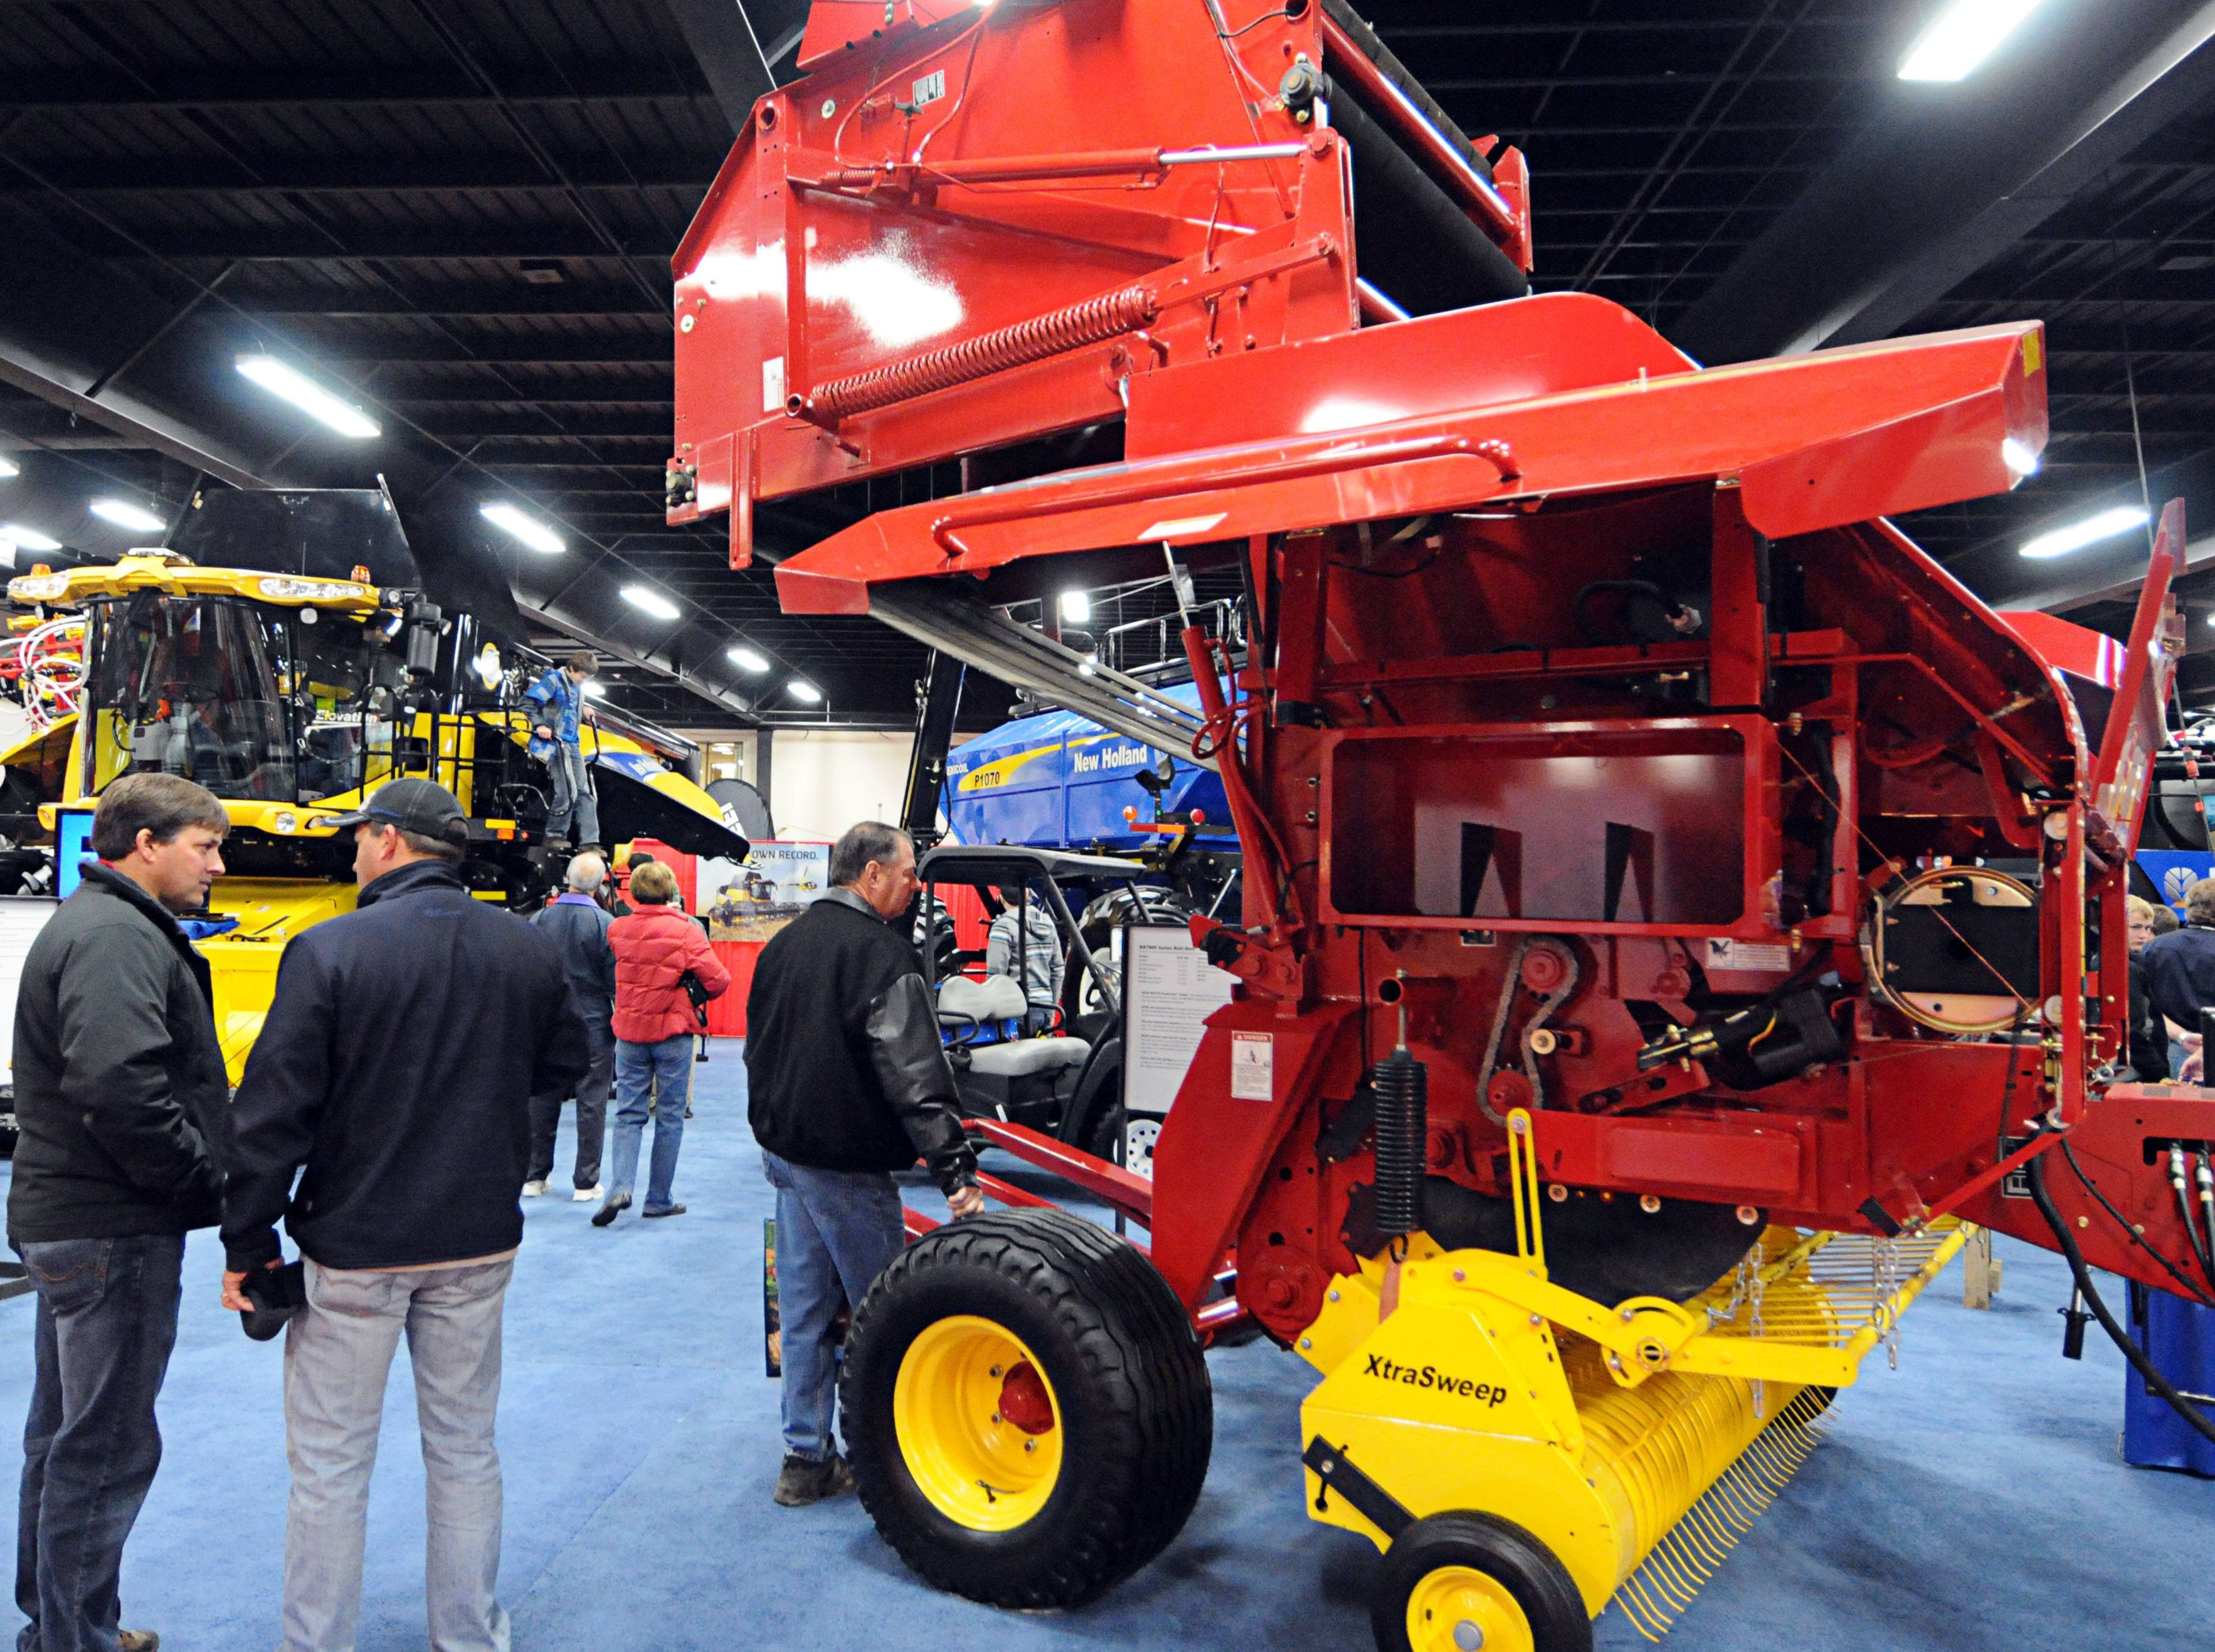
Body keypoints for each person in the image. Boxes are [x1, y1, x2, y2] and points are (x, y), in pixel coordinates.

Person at [218, 778, 589, 1652]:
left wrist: (246, 1239)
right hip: (478, 1236)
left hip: (355, 1245)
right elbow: (568, 1064)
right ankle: (470, 1636)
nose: (350, 851)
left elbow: (273, 1116)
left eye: (358, 837)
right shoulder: (523, 947)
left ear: (388, 840)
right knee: (465, 1450)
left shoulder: (329, 950)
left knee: (332, 1467)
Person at [10, 775, 230, 1652]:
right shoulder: (114, 936)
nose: (219, 861)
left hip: (76, 1217)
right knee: (102, 1446)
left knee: (66, 1439)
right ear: (147, 844)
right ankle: (74, 1640)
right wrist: (196, 1179)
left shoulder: (102, 924)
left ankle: (63, 1628)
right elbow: (118, 1082)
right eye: (204, 845)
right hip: (112, 1224)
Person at [745, 822, 984, 1507]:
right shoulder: (883, 956)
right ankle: (891, 1460)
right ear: (872, 874)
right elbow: (915, 1072)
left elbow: (756, 1053)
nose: (915, 887)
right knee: (885, 1316)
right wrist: (955, 1172)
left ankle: (804, 1458)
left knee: (803, 1314)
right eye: (909, 874)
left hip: (786, 1158)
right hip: (845, 1164)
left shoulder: (782, 945)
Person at [593, 860, 729, 1226]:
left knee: (628, 1115)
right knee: (669, 1118)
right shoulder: (687, 930)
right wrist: (689, 992)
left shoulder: (618, 929)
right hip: (672, 1034)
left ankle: (620, 1186)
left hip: (630, 1033)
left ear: (633, 891)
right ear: (670, 891)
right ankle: (658, 1199)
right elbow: (719, 980)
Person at [526, 852, 618, 1202]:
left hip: (546, 1021)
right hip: (593, 1021)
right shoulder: (606, 925)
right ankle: (585, 1183)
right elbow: (614, 984)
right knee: (592, 1100)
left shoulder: (539, 919)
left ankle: (534, 1177)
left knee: (541, 1097)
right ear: (600, 886)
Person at [2139, 876, 2215, 1083]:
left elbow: (2143, 1004)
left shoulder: (2154, 948)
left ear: (2189, 908)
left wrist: (2180, 1036)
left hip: (2171, 1046)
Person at [523, 650, 598, 850]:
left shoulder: (577, 688)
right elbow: (528, 702)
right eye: (582, 677)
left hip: (572, 744)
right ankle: (554, 835)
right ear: (572, 669)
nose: (583, 682)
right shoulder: (554, 681)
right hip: (556, 745)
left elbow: (568, 707)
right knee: (567, 792)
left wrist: (583, 710)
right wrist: (540, 725)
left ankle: (590, 841)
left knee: (585, 792)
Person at [986, 882, 1064, 1032]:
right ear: (1028, 895)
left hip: (1017, 1010)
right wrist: (1053, 1006)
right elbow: (1058, 971)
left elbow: (995, 976)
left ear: (1001, 898)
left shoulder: (1003, 927)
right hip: (1046, 1008)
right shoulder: (1048, 924)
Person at [2125, 894, 2170, 1083]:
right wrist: (2160, 1074)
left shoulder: (2134, 964)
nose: (2143, 935)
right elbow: (2135, 1031)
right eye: (2135, 927)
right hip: (2138, 1070)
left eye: (2148, 928)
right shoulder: (2126, 969)